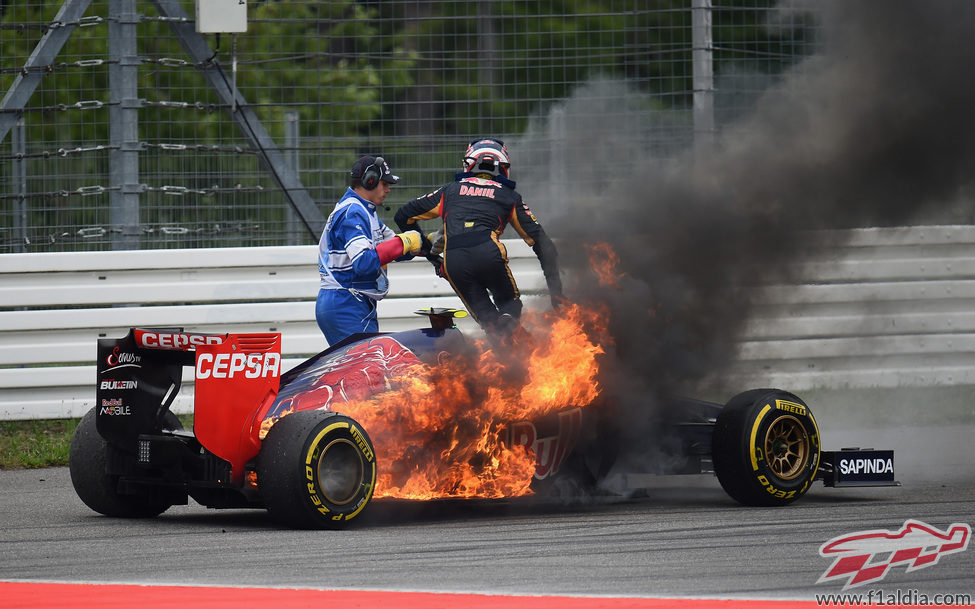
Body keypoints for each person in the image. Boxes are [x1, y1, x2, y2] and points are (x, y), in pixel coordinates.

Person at [394, 138, 564, 334]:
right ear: (503, 166)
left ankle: (505, 355)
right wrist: (557, 296)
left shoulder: (449, 191)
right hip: (488, 254)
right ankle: (516, 339)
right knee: (511, 308)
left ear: (468, 163)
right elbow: (544, 245)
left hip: (454, 261)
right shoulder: (509, 196)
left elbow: (403, 216)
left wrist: (431, 255)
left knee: (491, 325)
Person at [316, 155, 421, 345]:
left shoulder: (365, 211)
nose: (388, 189)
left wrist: (428, 243)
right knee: (367, 372)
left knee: (356, 371)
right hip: (346, 302)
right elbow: (364, 262)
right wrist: (404, 242)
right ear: (369, 181)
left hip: (349, 301)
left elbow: (394, 248)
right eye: (385, 184)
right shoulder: (353, 212)